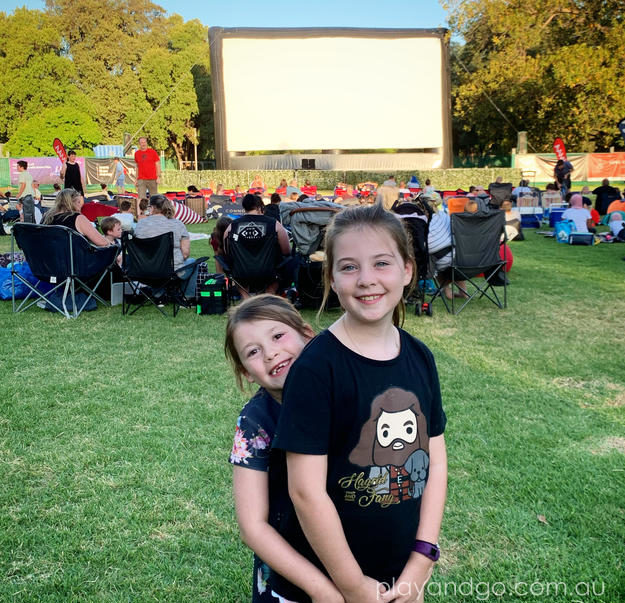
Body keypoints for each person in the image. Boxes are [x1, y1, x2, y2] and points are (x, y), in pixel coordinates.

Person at [273, 204, 448, 602]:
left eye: (381, 263)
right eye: (349, 267)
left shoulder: (420, 357)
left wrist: (422, 560)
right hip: (329, 583)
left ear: (407, 270)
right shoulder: (317, 367)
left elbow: (435, 462)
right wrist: (352, 585)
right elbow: (305, 492)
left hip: (403, 573)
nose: (367, 280)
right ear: (331, 278)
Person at [225, 295, 344, 603]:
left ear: (307, 334)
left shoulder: (346, 394)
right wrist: (319, 588)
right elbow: (252, 526)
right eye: (253, 352)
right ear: (247, 372)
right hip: (291, 568)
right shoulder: (255, 421)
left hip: (355, 554)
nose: (270, 353)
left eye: (278, 336)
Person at [223, 194, 292, 298]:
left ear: (244, 207)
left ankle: (246, 297)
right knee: (290, 261)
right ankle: (269, 294)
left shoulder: (232, 226)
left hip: (241, 273)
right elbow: (286, 251)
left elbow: (227, 251)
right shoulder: (274, 224)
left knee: (234, 266)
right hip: (269, 273)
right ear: (260, 207)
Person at [134, 194, 199, 301]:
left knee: (157, 265)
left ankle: (158, 294)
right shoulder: (178, 224)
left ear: (152, 208)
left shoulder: (140, 225)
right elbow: (186, 254)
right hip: (170, 271)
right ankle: (187, 297)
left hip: (143, 270)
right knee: (192, 262)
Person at [42, 188, 111, 247]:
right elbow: (101, 242)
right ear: (72, 203)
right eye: (78, 202)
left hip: (48, 260)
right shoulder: (78, 218)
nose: (80, 205)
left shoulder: (47, 217)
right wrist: (112, 243)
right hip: (74, 260)